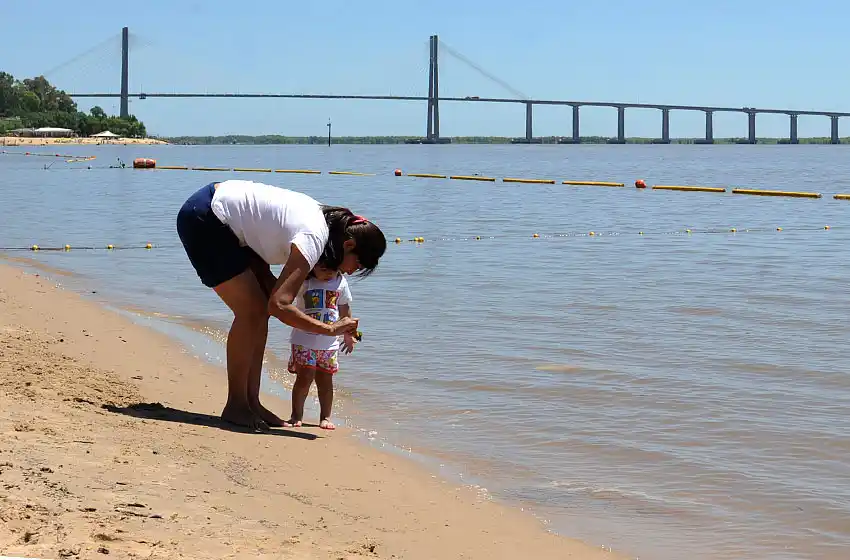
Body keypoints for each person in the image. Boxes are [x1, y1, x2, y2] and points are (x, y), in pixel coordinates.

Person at [176, 180, 386, 431]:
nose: (350, 273)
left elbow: (273, 294)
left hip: (225, 217)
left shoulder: (322, 224)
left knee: (259, 307)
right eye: (357, 265)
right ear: (349, 245)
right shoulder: (314, 236)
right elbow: (280, 305)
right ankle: (236, 405)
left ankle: (251, 402)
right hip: (207, 217)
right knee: (252, 312)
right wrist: (329, 330)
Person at [285, 263, 356, 430]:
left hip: (329, 344)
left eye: (332, 269)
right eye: (323, 269)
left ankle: (325, 417)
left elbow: (345, 311)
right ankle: (296, 415)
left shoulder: (340, 282)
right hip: (304, 340)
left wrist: (351, 335)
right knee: (304, 378)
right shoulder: (305, 281)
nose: (328, 274)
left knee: (326, 381)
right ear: (313, 266)